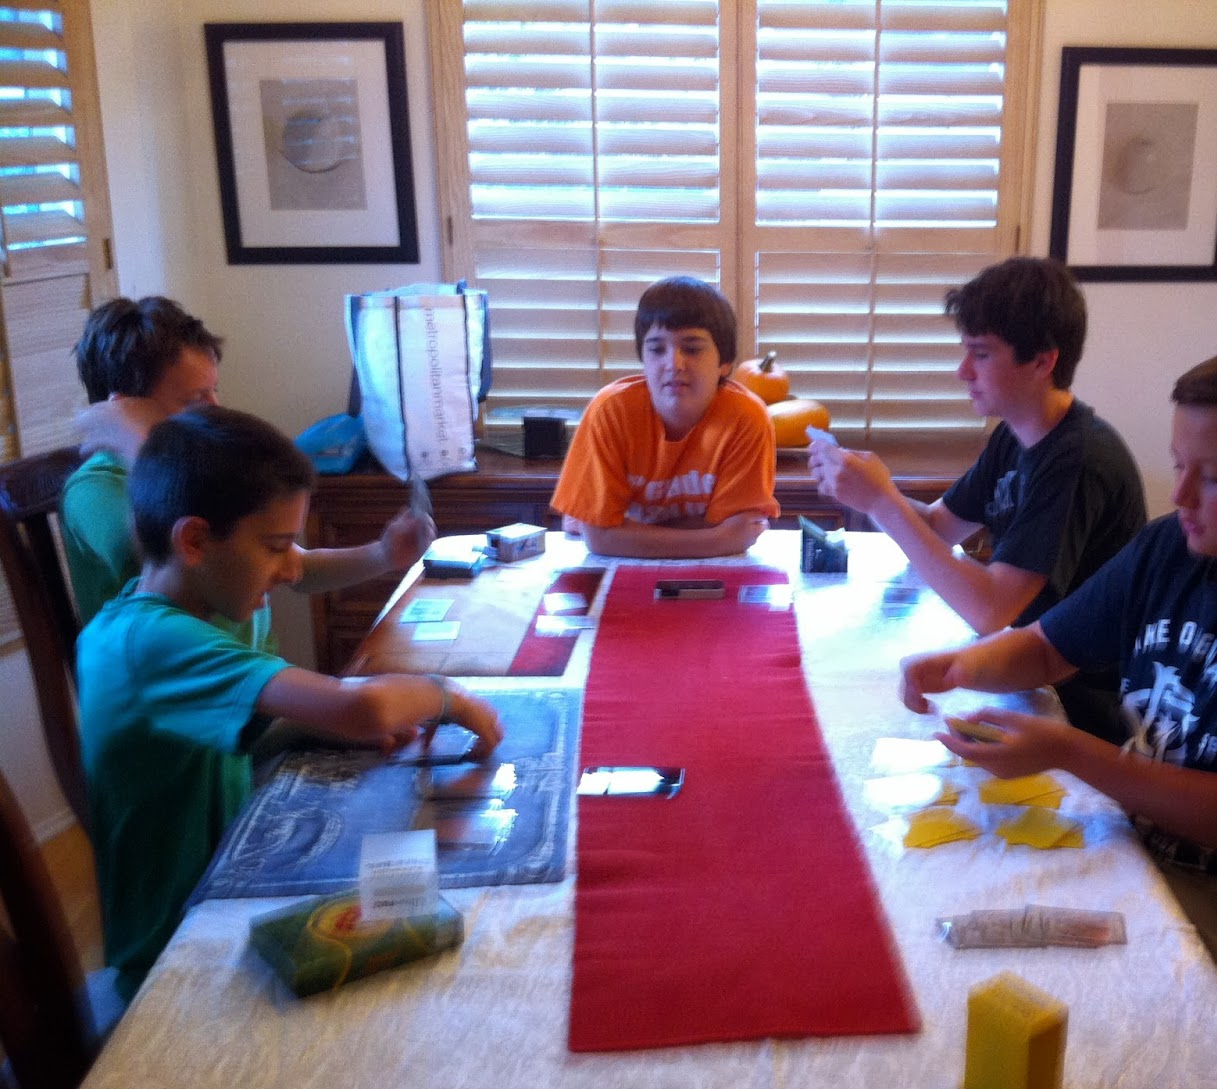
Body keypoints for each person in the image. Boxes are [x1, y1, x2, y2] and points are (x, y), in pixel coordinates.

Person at [900, 344, 1217, 1013]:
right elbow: (1046, 649)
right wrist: (959, 665)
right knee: (948, 913)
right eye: (1178, 464)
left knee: (1042, 989)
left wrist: (1069, 750)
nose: (1181, 495)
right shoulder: (1173, 546)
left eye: (1214, 478)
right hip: (1138, 843)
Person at [77, 406, 505, 1003]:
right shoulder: (151, 642)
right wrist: (446, 695)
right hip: (173, 955)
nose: (290, 568)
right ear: (194, 540)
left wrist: (300, 729)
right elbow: (363, 709)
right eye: (276, 547)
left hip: (225, 878)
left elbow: (205, 756)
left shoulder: (180, 607)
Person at [808, 256, 1145, 742]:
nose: (962, 372)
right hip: (1022, 670)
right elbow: (938, 527)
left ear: (1043, 361)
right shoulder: (1015, 434)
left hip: (1077, 708)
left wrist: (882, 501)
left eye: (981, 354)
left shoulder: (1077, 461)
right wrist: (865, 488)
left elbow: (990, 610)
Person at [63, 295, 434, 634]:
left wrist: (384, 554)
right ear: (124, 410)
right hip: (182, 684)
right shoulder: (94, 489)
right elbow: (160, 555)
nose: (216, 408)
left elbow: (295, 566)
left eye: (215, 390)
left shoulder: (204, 468)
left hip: (248, 678)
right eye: (194, 400)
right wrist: (137, 443)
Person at [551, 276, 779, 558]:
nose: (673, 364)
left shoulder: (747, 417)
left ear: (725, 363)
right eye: (657, 349)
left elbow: (739, 531)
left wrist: (626, 529)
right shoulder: (610, 411)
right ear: (642, 359)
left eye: (692, 349)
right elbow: (599, 539)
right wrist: (714, 538)